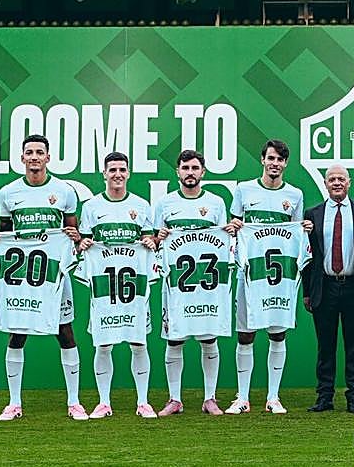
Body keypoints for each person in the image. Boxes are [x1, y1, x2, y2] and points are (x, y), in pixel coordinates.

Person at [0, 134, 84, 422]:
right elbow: (4, 232)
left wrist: (75, 238)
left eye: (40, 152)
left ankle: (74, 402)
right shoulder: (8, 193)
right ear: (22, 157)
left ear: (48, 157)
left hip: (54, 276)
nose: (34, 157)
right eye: (29, 152)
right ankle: (14, 403)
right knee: (18, 332)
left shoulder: (64, 191)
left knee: (65, 332)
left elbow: (72, 234)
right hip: (23, 278)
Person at [227, 139, 313, 414]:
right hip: (250, 274)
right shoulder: (243, 190)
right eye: (271, 158)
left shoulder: (295, 195)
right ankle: (242, 397)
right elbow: (233, 227)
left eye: (280, 160)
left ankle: (273, 397)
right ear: (262, 160)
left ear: (286, 164)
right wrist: (234, 226)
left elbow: (296, 233)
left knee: (278, 334)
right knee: (245, 335)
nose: (275, 164)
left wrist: (305, 228)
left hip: (280, 278)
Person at [153, 149, 235, 416]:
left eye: (195, 168)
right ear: (177, 172)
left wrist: (230, 232)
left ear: (203, 172)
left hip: (207, 286)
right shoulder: (165, 204)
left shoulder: (216, 203)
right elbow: (154, 244)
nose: (190, 173)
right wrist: (158, 236)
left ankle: (210, 398)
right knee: (174, 339)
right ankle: (174, 399)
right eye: (185, 168)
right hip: (178, 285)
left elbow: (225, 243)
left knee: (208, 339)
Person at [77, 151, 158, 419]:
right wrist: (84, 244)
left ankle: (143, 401)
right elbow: (84, 245)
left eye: (122, 169)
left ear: (129, 173)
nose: (117, 175)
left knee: (139, 343)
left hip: (133, 288)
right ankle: (103, 402)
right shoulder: (91, 207)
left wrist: (150, 242)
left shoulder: (142, 205)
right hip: (104, 289)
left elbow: (150, 243)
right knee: (103, 344)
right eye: (112, 170)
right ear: (104, 174)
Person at [303, 165, 354, 414]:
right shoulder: (312, 214)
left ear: (349, 182)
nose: (336, 183)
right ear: (325, 183)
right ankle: (325, 396)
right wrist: (307, 292)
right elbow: (307, 256)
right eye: (332, 179)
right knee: (326, 345)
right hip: (324, 286)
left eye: (341, 179)